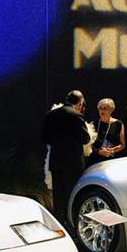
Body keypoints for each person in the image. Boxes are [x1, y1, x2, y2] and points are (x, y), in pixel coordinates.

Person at [42, 90, 90, 223]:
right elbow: (85, 139)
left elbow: (45, 138)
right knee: (72, 196)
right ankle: (72, 225)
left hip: (56, 162)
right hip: (73, 164)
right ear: (80, 103)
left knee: (58, 197)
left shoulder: (51, 115)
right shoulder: (76, 115)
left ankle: (59, 224)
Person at [89, 98, 126, 165]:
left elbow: (122, 144)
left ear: (111, 110)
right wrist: (99, 152)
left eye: (105, 108)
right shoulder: (93, 124)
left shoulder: (119, 124)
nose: (102, 110)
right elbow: (88, 144)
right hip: (95, 160)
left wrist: (112, 150)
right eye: (100, 108)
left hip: (112, 160)